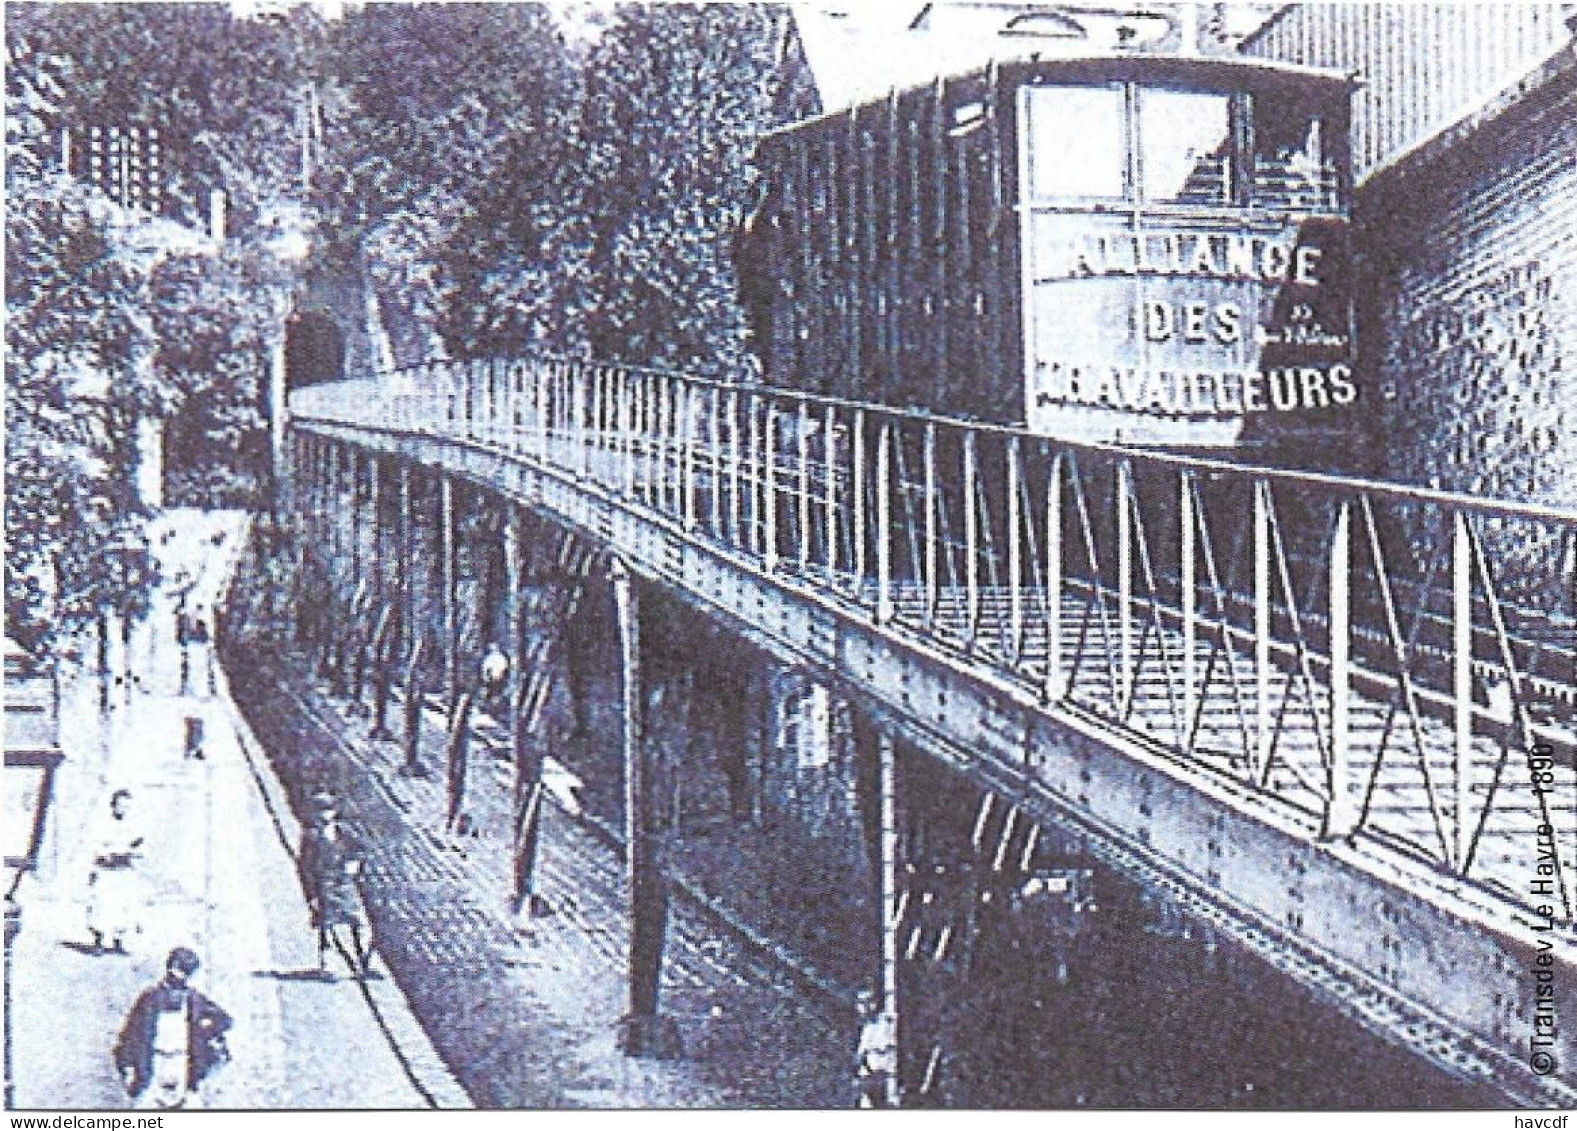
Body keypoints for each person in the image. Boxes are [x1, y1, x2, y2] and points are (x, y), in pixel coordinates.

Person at [113, 947, 232, 1109]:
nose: (180, 978)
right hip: (154, 1064)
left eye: (186, 973)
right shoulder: (149, 999)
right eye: (178, 971)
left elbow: (224, 1020)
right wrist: (127, 1068)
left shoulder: (194, 1000)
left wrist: (203, 1032)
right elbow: (129, 1035)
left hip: (182, 1064)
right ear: (170, 968)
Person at [299, 790, 375, 977]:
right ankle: (328, 964)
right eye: (319, 811)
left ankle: (363, 961)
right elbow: (305, 868)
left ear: (334, 812)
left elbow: (362, 849)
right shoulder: (311, 837)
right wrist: (311, 895)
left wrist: (354, 863)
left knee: (359, 922)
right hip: (324, 885)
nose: (324, 815)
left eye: (327, 810)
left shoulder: (344, 832)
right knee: (326, 925)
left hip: (345, 884)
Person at [87, 789, 146, 954]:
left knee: (122, 905)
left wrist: (133, 850)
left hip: (124, 869)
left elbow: (138, 845)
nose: (123, 809)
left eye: (127, 806)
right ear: (113, 805)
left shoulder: (131, 825)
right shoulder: (102, 824)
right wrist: (106, 853)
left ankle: (118, 942)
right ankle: (98, 942)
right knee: (101, 904)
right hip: (106, 870)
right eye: (120, 805)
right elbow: (96, 845)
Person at [854, 989, 897, 1108]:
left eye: (866, 1003)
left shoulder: (884, 1022)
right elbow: (861, 1054)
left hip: (881, 1073)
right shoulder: (865, 1026)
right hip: (868, 1075)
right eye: (860, 1003)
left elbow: (887, 1047)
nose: (862, 1008)